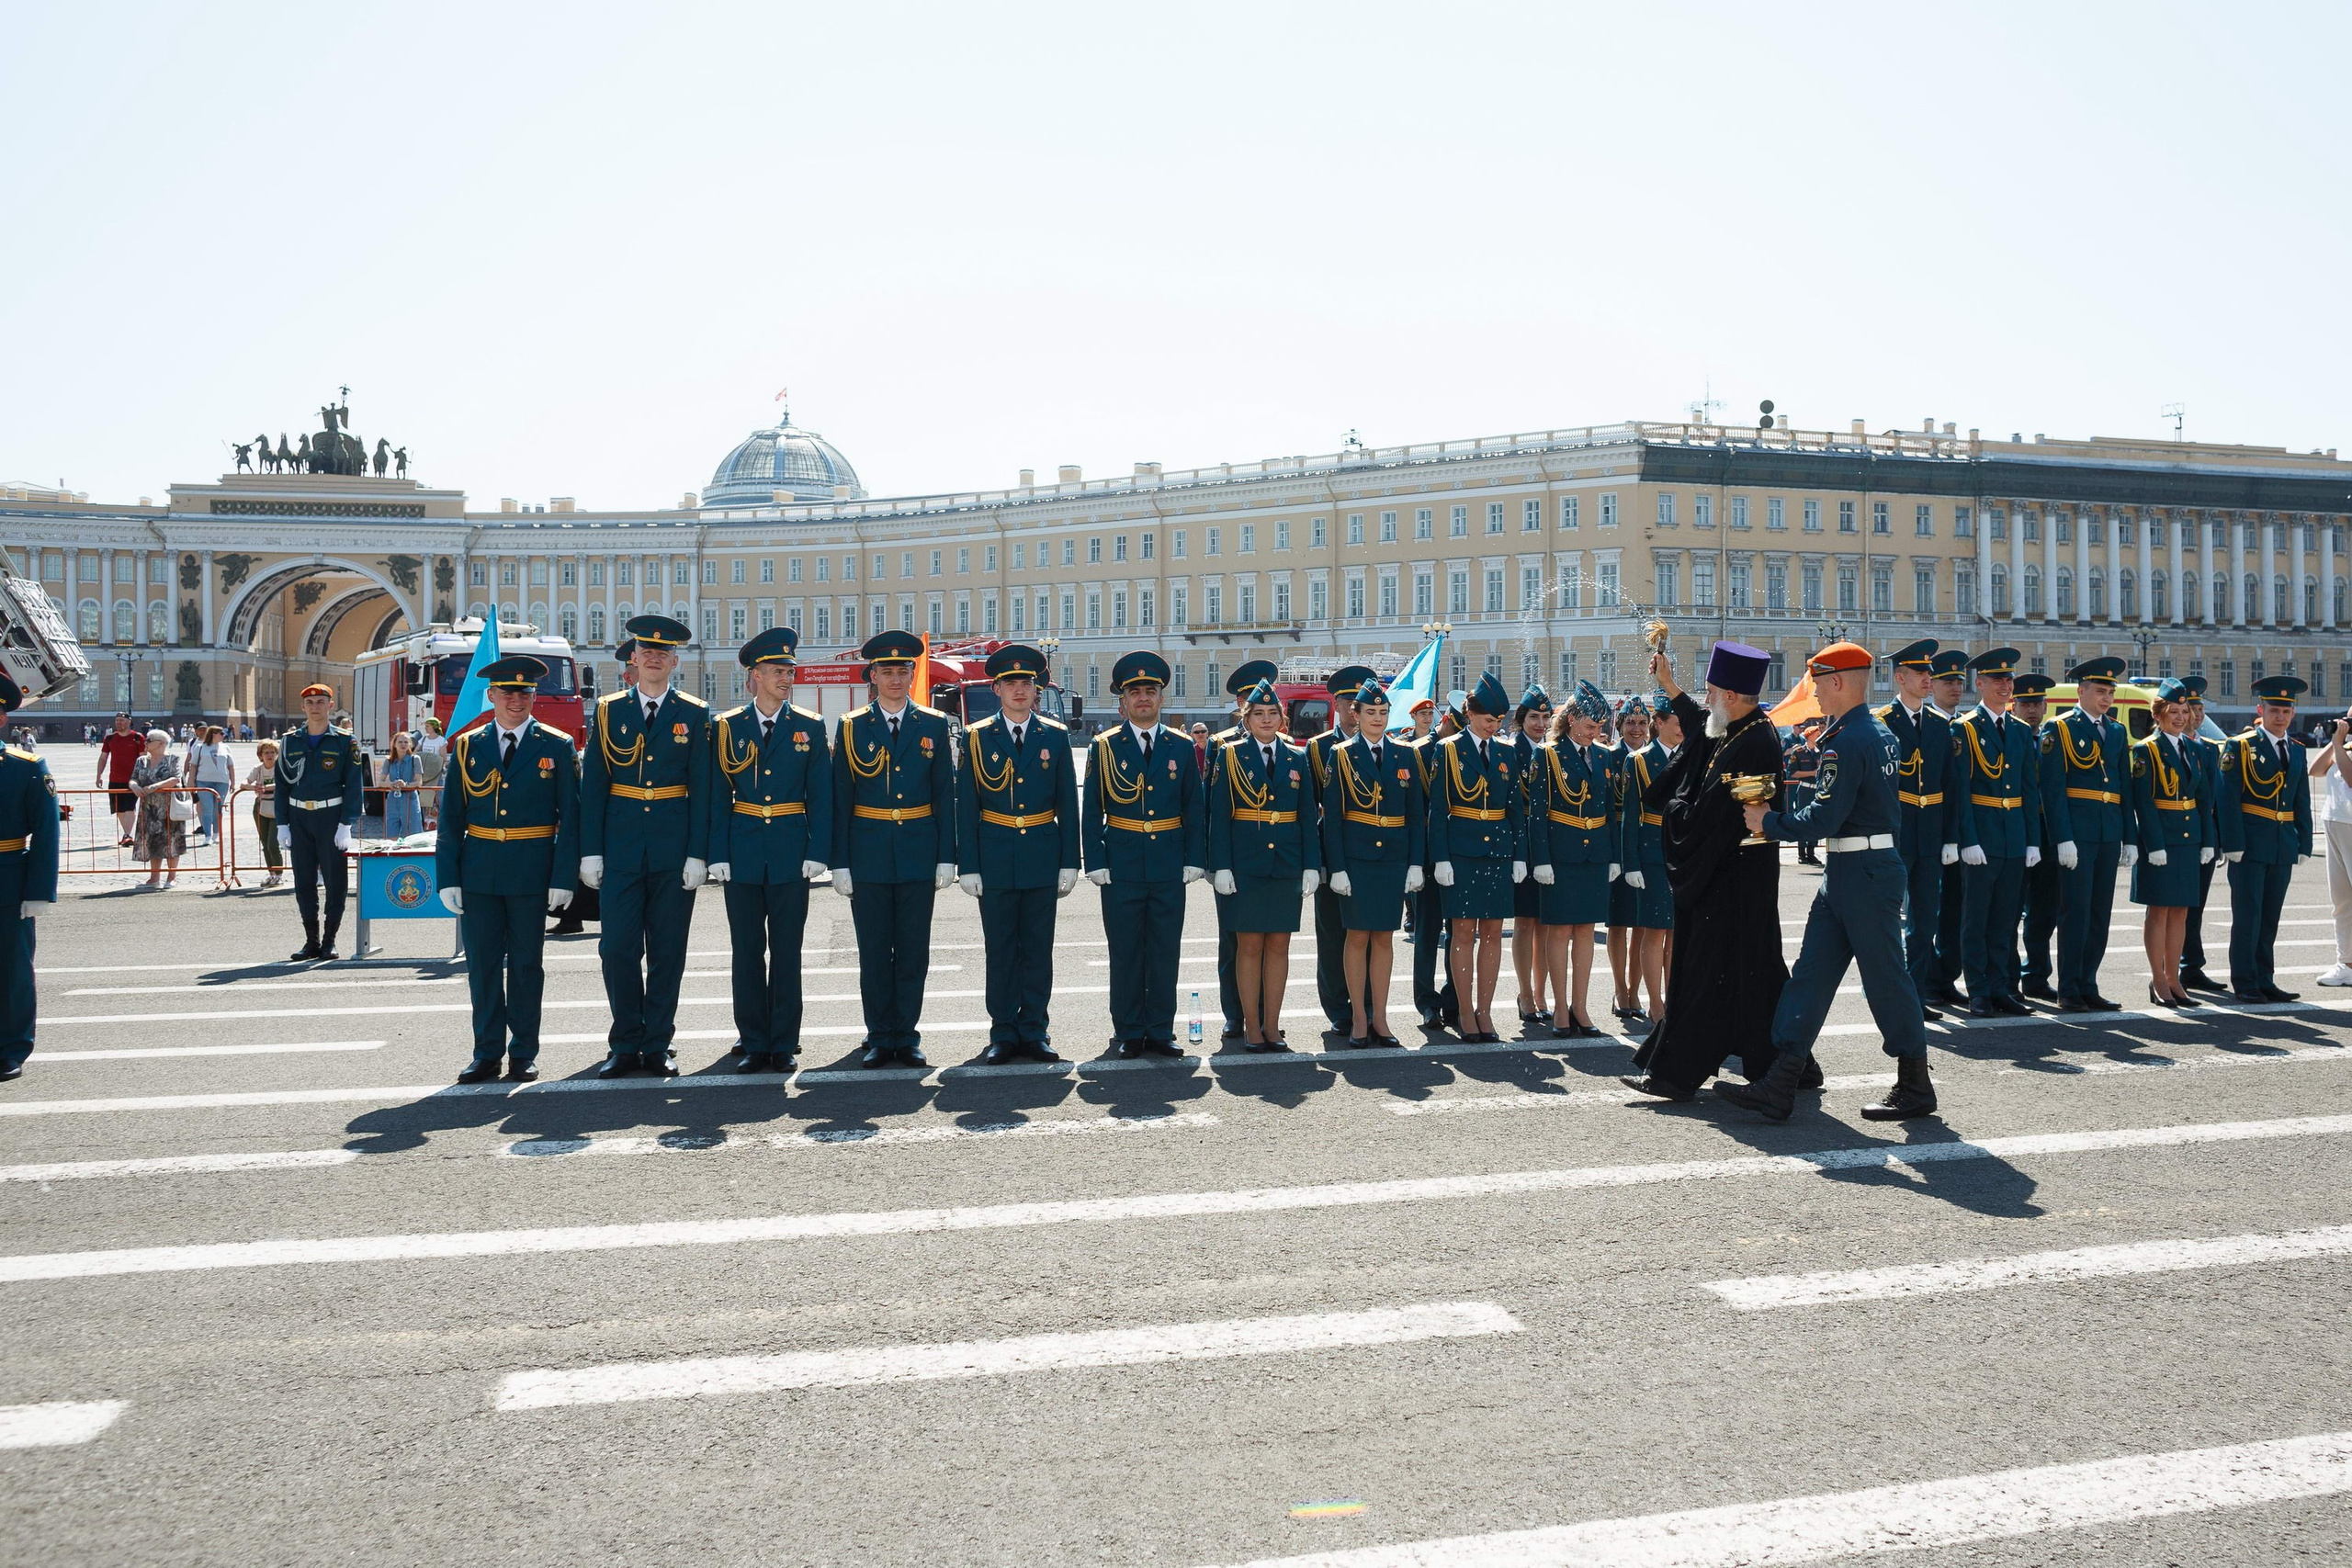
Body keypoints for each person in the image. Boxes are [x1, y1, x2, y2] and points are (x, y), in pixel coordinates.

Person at [1717, 642, 1936, 1122]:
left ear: (1837, 681)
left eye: (1817, 682)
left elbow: (1826, 817)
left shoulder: (1848, 740)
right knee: (1812, 976)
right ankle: (1781, 1080)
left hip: (1863, 873)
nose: (1813, 691)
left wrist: (1768, 822)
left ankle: (1915, 1083)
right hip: (1854, 871)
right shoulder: (1873, 732)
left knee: (1886, 980)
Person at [1623, 641, 1790, 1100]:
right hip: (1731, 879)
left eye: (1712, 690)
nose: (1706, 697)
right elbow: (1701, 728)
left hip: (1731, 882)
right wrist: (1670, 684)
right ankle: (1786, 1062)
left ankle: (1674, 1076)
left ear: (1732, 696)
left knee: (1705, 974)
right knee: (1755, 973)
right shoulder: (1738, 728)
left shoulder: (1754, 741)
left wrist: (1675, 811)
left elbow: (1712, 816)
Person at [579, 615, 712, 1077]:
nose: (654, 657)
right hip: (621, 847)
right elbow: (594, 784)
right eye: (646, 651)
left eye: (663, 652)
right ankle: (624, 1040)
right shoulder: (609, 710)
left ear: (674, 661)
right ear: (633, 659)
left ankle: (657, 1043)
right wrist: (590, 850)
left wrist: (699, 853)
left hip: (673, 849)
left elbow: (703, 787)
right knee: (616, 948)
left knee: (668, 950)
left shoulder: (695, 713)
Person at [435, 656, 579, 1084]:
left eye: (526, 693)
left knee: (526, 965)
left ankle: (523, 1052)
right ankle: (486, 1052)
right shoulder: (468, 745)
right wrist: (448, 876)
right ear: (492, 696)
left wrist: (563, 877)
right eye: (509, 693)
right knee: (481, 966)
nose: (517, 700)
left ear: (534, 697)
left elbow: (571, 817)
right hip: (479, 870)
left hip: (532, 870)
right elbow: (451, 818)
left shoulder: (556, 745)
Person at [707, 626, 834, 1072]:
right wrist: (716, 853)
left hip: (788, 850)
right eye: (777, 671)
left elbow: (821, 794)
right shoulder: (726, 727)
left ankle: (783, 1041)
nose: (786, 678)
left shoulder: (809, 726)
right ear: (754, 676)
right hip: (741, 851)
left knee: (786, 949)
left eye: (789, 671)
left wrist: (819, 849)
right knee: (745, 951)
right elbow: (718, 795)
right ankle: (752, 1038)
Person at [831, 627, 956, 1069]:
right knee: (874, 950)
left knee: (912, 950)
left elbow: (944, 793)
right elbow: (840, 799)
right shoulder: (852, 727)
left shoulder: (934, 725)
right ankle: (880, 1035)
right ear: (873, 676)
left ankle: (907, 1034)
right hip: (867, 853)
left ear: (912, 673)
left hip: (919, 851)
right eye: (887, 670)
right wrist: (839, 863)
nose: (896, 678)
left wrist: (946, 856)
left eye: (904, 669)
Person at [956, 642, 1079, 1065]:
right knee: (1002, 950)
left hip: (1042, 854)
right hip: (994, 857)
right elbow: (966, 805)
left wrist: (1069, 860)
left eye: (1026, 682)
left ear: (1036, 689)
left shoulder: (1055, 736)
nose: (1019, 689)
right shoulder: (977, 737)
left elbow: (1068, 803)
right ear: (997, 688)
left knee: (1038, 949)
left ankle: (1035, 1030)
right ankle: (1003, 1032)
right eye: (1011, 682)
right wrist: (967, 865)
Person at [1082, 651, 1205, 1058]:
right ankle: (1129, 1030)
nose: (1143, 699)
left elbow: (1194, 807)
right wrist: (1095, 860)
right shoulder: (1104, 747)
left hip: (1168, 862)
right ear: (1123, 701)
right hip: (1122, 862)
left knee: (1165, 949)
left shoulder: (1183, 746)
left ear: (1161, 698)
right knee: (1126, 950)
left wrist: (1194, 857)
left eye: (1150, 691)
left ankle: (1160, 1029)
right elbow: (1092, 809)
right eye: (1135, 692)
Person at [1208, 678, 1320, 1052]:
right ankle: (1251, 1027)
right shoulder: (1230, 755)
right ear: (1247, 718)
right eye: (1259, 714)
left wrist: (1310, 865)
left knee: (1279, 947)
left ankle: (1273, 1025)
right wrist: (1220, 865)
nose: (1267, 720)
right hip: (1246, 864)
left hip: (1286, 862)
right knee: (1249, 946)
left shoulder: (1298, 757)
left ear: (1282, 719)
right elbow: (1219, 814)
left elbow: (1307, 813)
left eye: (1273, 713)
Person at [1321, 678, 1422, 1047]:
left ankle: (1381, 1017)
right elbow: (1332, 817)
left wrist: (1415, 863)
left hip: (1392, 859)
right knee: (1356, 937)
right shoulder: (1342, 754)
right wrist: (1338, 868)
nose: (1377, 719)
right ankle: (1359, 1019)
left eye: (1383, 712)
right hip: (1357, 858)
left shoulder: (1405, 754)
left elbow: (1415, 814)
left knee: (1384, 938)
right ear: (1356, 714)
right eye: (1370, 713)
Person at [1428, 671, 1526, 1043]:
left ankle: (1486, 1011)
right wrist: (1440, 858)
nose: (1494, 726)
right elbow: (1439, 808)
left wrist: (1519, 855)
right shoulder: (1448, 749)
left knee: (1493, 933)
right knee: (1463, 931)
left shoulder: (1505, 751)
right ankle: (1465, 1012)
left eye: (1499, 721)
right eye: (1488, 720)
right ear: (1470, 714)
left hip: (1498, 851)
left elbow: (1515, 806)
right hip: (1461, 852)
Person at [2037, 657, 2135, 1011]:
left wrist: (2131, 837)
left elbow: (2123, 786)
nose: (2106, 698)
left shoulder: (2118, 731)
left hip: (2108, 832)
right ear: (2081, 691)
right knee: (2074, 912)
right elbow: (2052, 789)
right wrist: (2061, 837)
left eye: (2110, 692)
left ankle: (2089, 984)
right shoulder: (2060, 728)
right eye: (2099, 691)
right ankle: (2069, 988)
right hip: (2077, 834)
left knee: (2099, 913)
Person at [1950, 649, 2040, 1017]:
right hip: (1982, 835)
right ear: (1980, 684)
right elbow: (1961, 790)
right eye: (1998, 680)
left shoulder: (2019, 729)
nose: (2006, 686)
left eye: (2009, 680)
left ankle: (2002, 987)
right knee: (1977, 918)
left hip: (2013, 835)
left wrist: (2032, 839)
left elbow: (2028, 789)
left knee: (2006, 918)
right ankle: (1979, 990)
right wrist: (1967, 839)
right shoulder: (1965, 728)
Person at [2219, 675, 2313, 1002]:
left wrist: (2305, 842)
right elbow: (2228, 799)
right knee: (2248, 915)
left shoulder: (2297, 751)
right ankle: (2244, 981)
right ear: (2260, 709)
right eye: (2274, 709)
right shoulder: (2241, 746)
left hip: (2282, 843)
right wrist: (2232, 843)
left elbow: (2302, 800)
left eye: (2286, 711)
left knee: (2270, 916)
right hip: (2250, 844)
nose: (2281, 716)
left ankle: (2265, 978)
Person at [1531, 682, 1616, 1039]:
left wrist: (1612, 856)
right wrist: (1541, 859)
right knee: (1559, 931)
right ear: (1573, 719)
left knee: (1585, 931)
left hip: (1594, 853)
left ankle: (1581, 1006)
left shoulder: (1604, 755)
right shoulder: (1547, 755)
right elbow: (1537, 812)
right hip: (1562, 853)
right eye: (1590, 726)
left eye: (1599, 728)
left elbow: (1609, 810)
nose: (1595, 733)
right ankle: (1561, 1007)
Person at [2132, 680, 2217, 1009]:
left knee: (2181, 912)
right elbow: (2144, 802)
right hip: (2161, 842)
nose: (2181, 717)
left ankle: (2174, 979)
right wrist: (2153, 845)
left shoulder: (2195, 750)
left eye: (2185, 711)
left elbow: (2204, 798)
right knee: (2159, 911)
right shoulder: (2145, 750)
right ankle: (2157, 979)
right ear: (2159, 714)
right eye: (2174, 711)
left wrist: (2207, 841)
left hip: (2188, 840)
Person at [1877, 639, 1951, 1020]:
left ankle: (1915, 995)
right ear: (1900, 677)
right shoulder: (1881, 722)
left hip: (1930, 834)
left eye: (1929, 673)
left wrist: (1952, 837)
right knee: (1888, 921)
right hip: (1895, 832)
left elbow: (1951, 785)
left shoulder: (1941, 725)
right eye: (1920, 673)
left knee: (1924, 921)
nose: (1928, 679)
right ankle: (1891, 997)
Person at [1204, 660, 1278, 1041]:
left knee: (1272, 938)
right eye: (1251, 699)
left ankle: (1266, 1014)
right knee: (1233, 939)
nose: (1260, 709)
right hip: (1235, 857)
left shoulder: (1281, 743)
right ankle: (1235, 1011)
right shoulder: (1221, 744)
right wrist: (1215, 863)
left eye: (1266, 701)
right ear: (1239, 703)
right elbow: (1211, 806)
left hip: (1272, 857)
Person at [1306, 665, 1376, 1036]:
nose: (1353, 710)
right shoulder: (1318, 748)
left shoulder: (1384, 741)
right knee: (1332, 934)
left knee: (1368, 933)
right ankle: (1337, 1007)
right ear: (1336, 704)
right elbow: (1311, 808)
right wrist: (1316, 862)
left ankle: (1367, 1005)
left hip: (1371, 856)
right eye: (1348, 702)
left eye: (1359, 703)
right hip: (1331, 856)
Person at [276, 684, 364, 957]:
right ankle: (311, 940)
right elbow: (281, 785)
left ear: (331, 705)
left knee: (335, 882)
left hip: (330, 817)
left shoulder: (345, 741)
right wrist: (282, 823)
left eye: (320, 701)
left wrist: (346, 824)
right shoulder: (290, 741)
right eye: (310, 702)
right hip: (299, 817)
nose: (315, 706)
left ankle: (330, 940)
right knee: (303, 881)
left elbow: (353, 785)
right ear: (303, 707)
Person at [0, 676, 58, 1084]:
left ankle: (11, 1047)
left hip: (8, 880)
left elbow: (46, 830)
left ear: (2, 717)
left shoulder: (26, 767)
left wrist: (38, 892)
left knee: (12, 969)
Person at [1611, 694, 1672, 1027]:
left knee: (1645, 927)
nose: (1636, 728)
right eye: (1630, 722)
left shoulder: (1660, 757)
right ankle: (1622, 990)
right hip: (1626, 848)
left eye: (1641, 723)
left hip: (1649, 846)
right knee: (1621, 924)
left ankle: (1636, 988)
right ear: (1619, 725)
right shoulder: (1611, 757)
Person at [1504, 683, 1555, 1031]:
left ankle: (1541, 993)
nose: (1540, 723)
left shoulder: (1554, 752)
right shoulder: (1511, 752)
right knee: (1525, 923)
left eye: (1545, 717)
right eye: (1534, 717)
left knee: (1547, 924)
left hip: (1551, 847)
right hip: (1521, 846)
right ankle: (1525, 994)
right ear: (1521, 719)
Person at [1925, 647, 1973, 1006]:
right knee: (1926, 911)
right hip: (1930, 830)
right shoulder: (1925, 724)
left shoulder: (1964, 726)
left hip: (1960, 833)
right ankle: (1926, 978)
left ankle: (1946, 977)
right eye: (1947, 681)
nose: (1956, 687)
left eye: (1959, 681)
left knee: (1955, 909)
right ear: (1932, 684)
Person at [2011, 673, 2063, 1000]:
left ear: (2045, 706)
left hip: (2046, 830)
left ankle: (2036, 975)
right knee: (2009, 908)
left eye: (2036, 704)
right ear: (2013, 705)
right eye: (2025, 704)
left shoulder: (2053, 740)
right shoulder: (2009, 738)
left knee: (2045, 908)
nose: (2031, 710)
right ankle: (2006, 978)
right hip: (2015, 830)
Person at [2177, 676, 2227, 992]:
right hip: (2176, 836)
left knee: (2196, 906)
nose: (2195, 713)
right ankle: (2171, 968)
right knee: (2172, 908)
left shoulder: (2209, 750)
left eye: (2199, 707)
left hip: (2203, 838)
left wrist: (2217, 840)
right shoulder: (2161, 746)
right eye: (2189, 706)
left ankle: (2192, 966)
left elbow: (2216, 800)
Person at [1407, 695, 1453, 1028]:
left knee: (1461, 932)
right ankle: (1426, 1002)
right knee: (1426, 931)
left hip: (1462, 851)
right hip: (1425, 853)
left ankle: (1454, 999)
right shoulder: (1419, 751)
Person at [2314, 711, 2352, 987]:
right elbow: (2314, 769)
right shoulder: (2344, 746)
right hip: (2335, 823)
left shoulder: (2344, 749)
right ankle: (2346, 963)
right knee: (2342, 901)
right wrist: (2336, 741)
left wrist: (2339, 744)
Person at [130, 728, 187, 889]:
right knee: (152, 840)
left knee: (172, 840)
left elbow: (175, 778)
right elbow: (133, 778)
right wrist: (134, 786)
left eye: (149, 740)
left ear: (161, 743)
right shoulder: (142, 760)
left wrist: (154, 786)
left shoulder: (173, 759)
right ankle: (154, 878)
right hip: (148, 807)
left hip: (169, 807)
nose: (145, 743)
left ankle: (172, 877)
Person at [96, 713, 144, 849]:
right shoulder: (110, 738)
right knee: (118, 809)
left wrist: (142, 777)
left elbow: (143, 759)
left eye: (122, 720)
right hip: (114, 779)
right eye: (117, 720)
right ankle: (127, 834)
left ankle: (127, 835)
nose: (119, 723)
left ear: (129, 722)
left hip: (133, 780)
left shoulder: (137, 738)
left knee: (129, 807)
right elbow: (103, 758)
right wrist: (99, 775)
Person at [184, 724, 232, 846]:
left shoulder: (226, 748)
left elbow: (230, 766)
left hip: (222, 782)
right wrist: (191, 782)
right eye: (221, 733)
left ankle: (217, 833)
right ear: (213, 734)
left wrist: (233, 782)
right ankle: (208, 835)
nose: (223, 735)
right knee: (207, 808)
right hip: (203, 781)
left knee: (218, 809)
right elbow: (193, 765)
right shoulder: (200, 747)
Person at [245, 739, 283, 886]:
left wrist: (264, 787)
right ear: (260, 755)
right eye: (266, 752)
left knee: (273, 843)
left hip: (277, 807)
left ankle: (279, 874)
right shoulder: (258, 768)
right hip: (260, 807)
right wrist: (250, 786)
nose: (269, 755)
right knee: (264, 842)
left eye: (272, 752)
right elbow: (245, 781)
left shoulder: (280, 768)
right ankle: (271, 873)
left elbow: (282, 783)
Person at [379, 728, 424, 839]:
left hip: (410, 799)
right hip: (393, 800)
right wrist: (390, 785)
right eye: (400, 742)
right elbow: (380, 782)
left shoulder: (415, 759)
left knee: (413, 835)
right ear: (394, 744)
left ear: (410, 744)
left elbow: (419, 782)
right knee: (391, 833)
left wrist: (406, 785)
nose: (403, 744)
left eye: (406, 742)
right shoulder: (388, 761)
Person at [416, 716, 447, 829]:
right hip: (425, 772)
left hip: (436, 772)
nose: (426, 728)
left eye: (428, 726)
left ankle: (442, 821)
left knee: (439, 796)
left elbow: (443, 757)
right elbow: (416, 751)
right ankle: (423, 822)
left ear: (434, 727)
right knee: (424, 796)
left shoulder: (441, 740)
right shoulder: (423, 739)